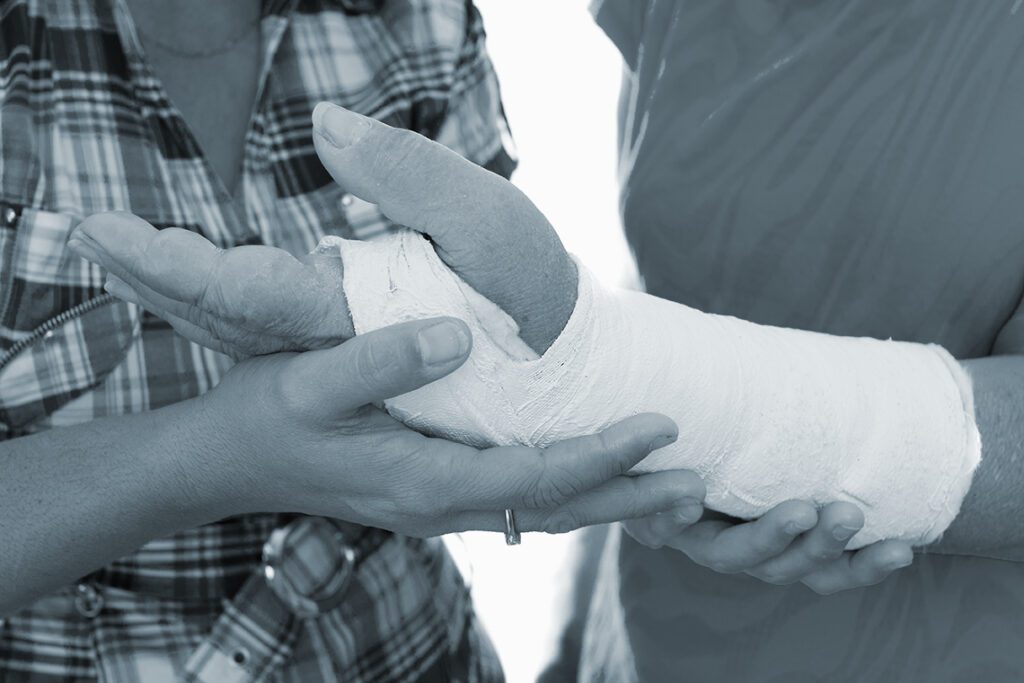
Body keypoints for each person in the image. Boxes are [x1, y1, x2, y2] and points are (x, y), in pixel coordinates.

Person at [74, 81, 1021, 682]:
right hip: (662, 624)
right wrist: (606, 482)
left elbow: (606, 356)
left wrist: (580, 367)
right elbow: (670, 303)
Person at [0, 1, 702, 680]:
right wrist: (220, 453)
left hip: (426, 647)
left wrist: (699, 471)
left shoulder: (420, 20)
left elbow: (511, 351)